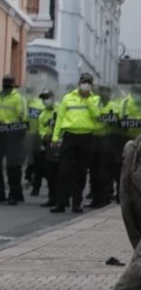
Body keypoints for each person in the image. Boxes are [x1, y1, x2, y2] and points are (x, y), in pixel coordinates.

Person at [50, 72, 102, 213]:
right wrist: (55, 137)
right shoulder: (68, 97)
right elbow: (60, 119)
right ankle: (60, 203)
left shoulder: (95, 98)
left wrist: (88, 99)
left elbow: (96, 115)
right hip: (69, 136)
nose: (86, 85)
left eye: (88, 83)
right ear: (79, 83)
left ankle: (77, 203)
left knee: (81, 172)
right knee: (63, 171)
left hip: (86, 137)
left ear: (91, 85)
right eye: (84, 82)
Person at [0, 75, 27, 205]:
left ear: (14, 84)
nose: (7, 85)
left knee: (13, 167)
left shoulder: (19, 98)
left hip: (13, 134)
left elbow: (23, 118)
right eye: (5, 82)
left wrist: (8, 123)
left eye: (9, 83)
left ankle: (14, 194)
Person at [28, 90, 57, 203]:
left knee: (53, 170)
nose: (45, 100)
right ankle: (38, 189)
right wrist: (43, 136)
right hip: (42, 141)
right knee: (38, 165)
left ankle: (57, 195)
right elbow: (41, 128)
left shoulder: (58, 109)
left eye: (47, 97)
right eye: (43, 98)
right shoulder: (43, 113)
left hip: (56, 143)